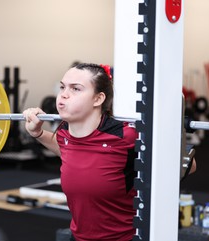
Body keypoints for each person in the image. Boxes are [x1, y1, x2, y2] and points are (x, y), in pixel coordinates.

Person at [23, 63, 138, 241]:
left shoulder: (125, 136)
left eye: (76, 89)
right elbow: (68, 150)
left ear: (98, 99)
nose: (64, 94)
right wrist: (37, 133)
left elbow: (188, 165)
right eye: (62, 87)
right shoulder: (65, 134)